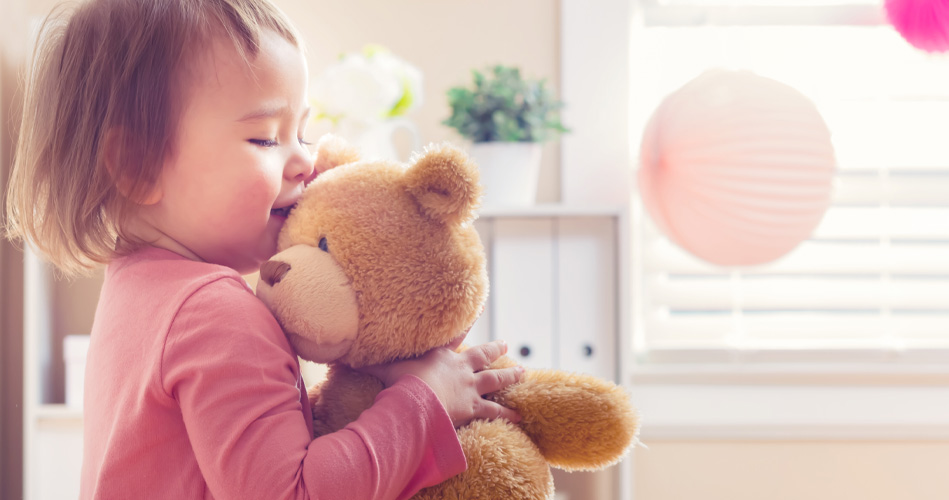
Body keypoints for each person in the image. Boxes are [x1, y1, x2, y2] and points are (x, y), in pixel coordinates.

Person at [4, 0, 524, 498]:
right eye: (265, 139)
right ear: (138, 166)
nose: (305, 162)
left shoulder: (137, 285)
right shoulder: (215, 312)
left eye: (302, 131)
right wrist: (421, 400)